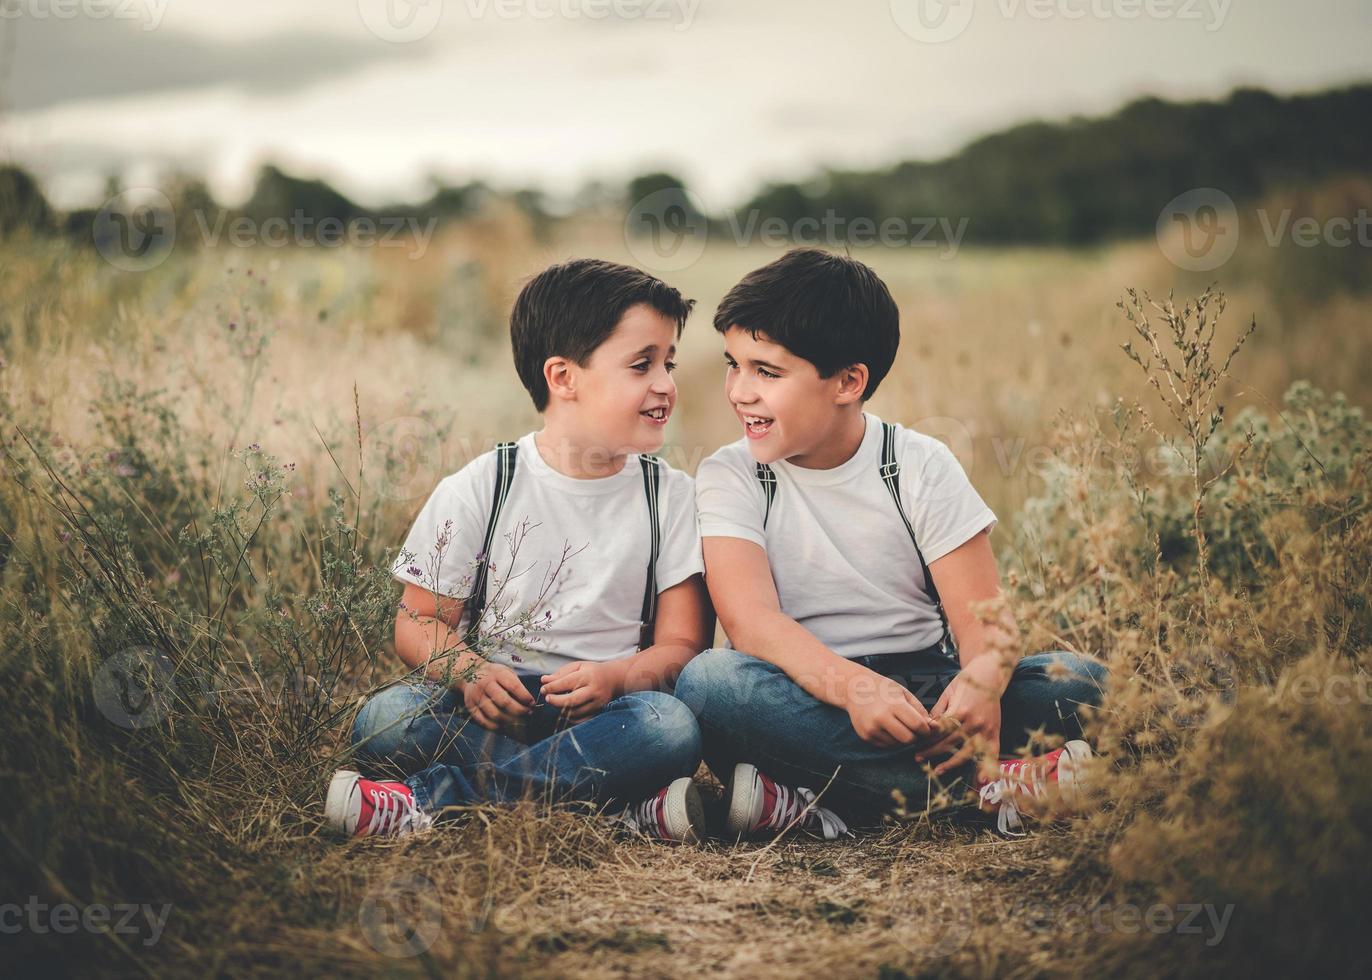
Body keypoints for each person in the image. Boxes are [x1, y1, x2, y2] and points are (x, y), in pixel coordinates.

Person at [674, 247, 1108, 840]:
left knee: (1089, 685)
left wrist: (982, 682)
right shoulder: (732, 475)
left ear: (849, 381)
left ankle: (822, 800)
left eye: (766, 372)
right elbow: (751, 624)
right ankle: (990, 792)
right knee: (711, 685)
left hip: (927, 693)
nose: (739, 391)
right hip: (805, 696)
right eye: (734, 364)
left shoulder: (918, 464)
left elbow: (986, 620)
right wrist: (853, 688)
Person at [326, 259, 714, 843]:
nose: (665, 383)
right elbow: (418, 621)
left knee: (670, 728)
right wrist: (469, 673)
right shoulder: (485, 485)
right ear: (562, 377)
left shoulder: (672, 497)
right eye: (642, 365)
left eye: (668, 363)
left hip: (608, 713)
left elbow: (683, 646)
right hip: (492, 707)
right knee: (385, 721)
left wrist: (616, 678)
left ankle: (435, 801)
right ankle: (611, 808)